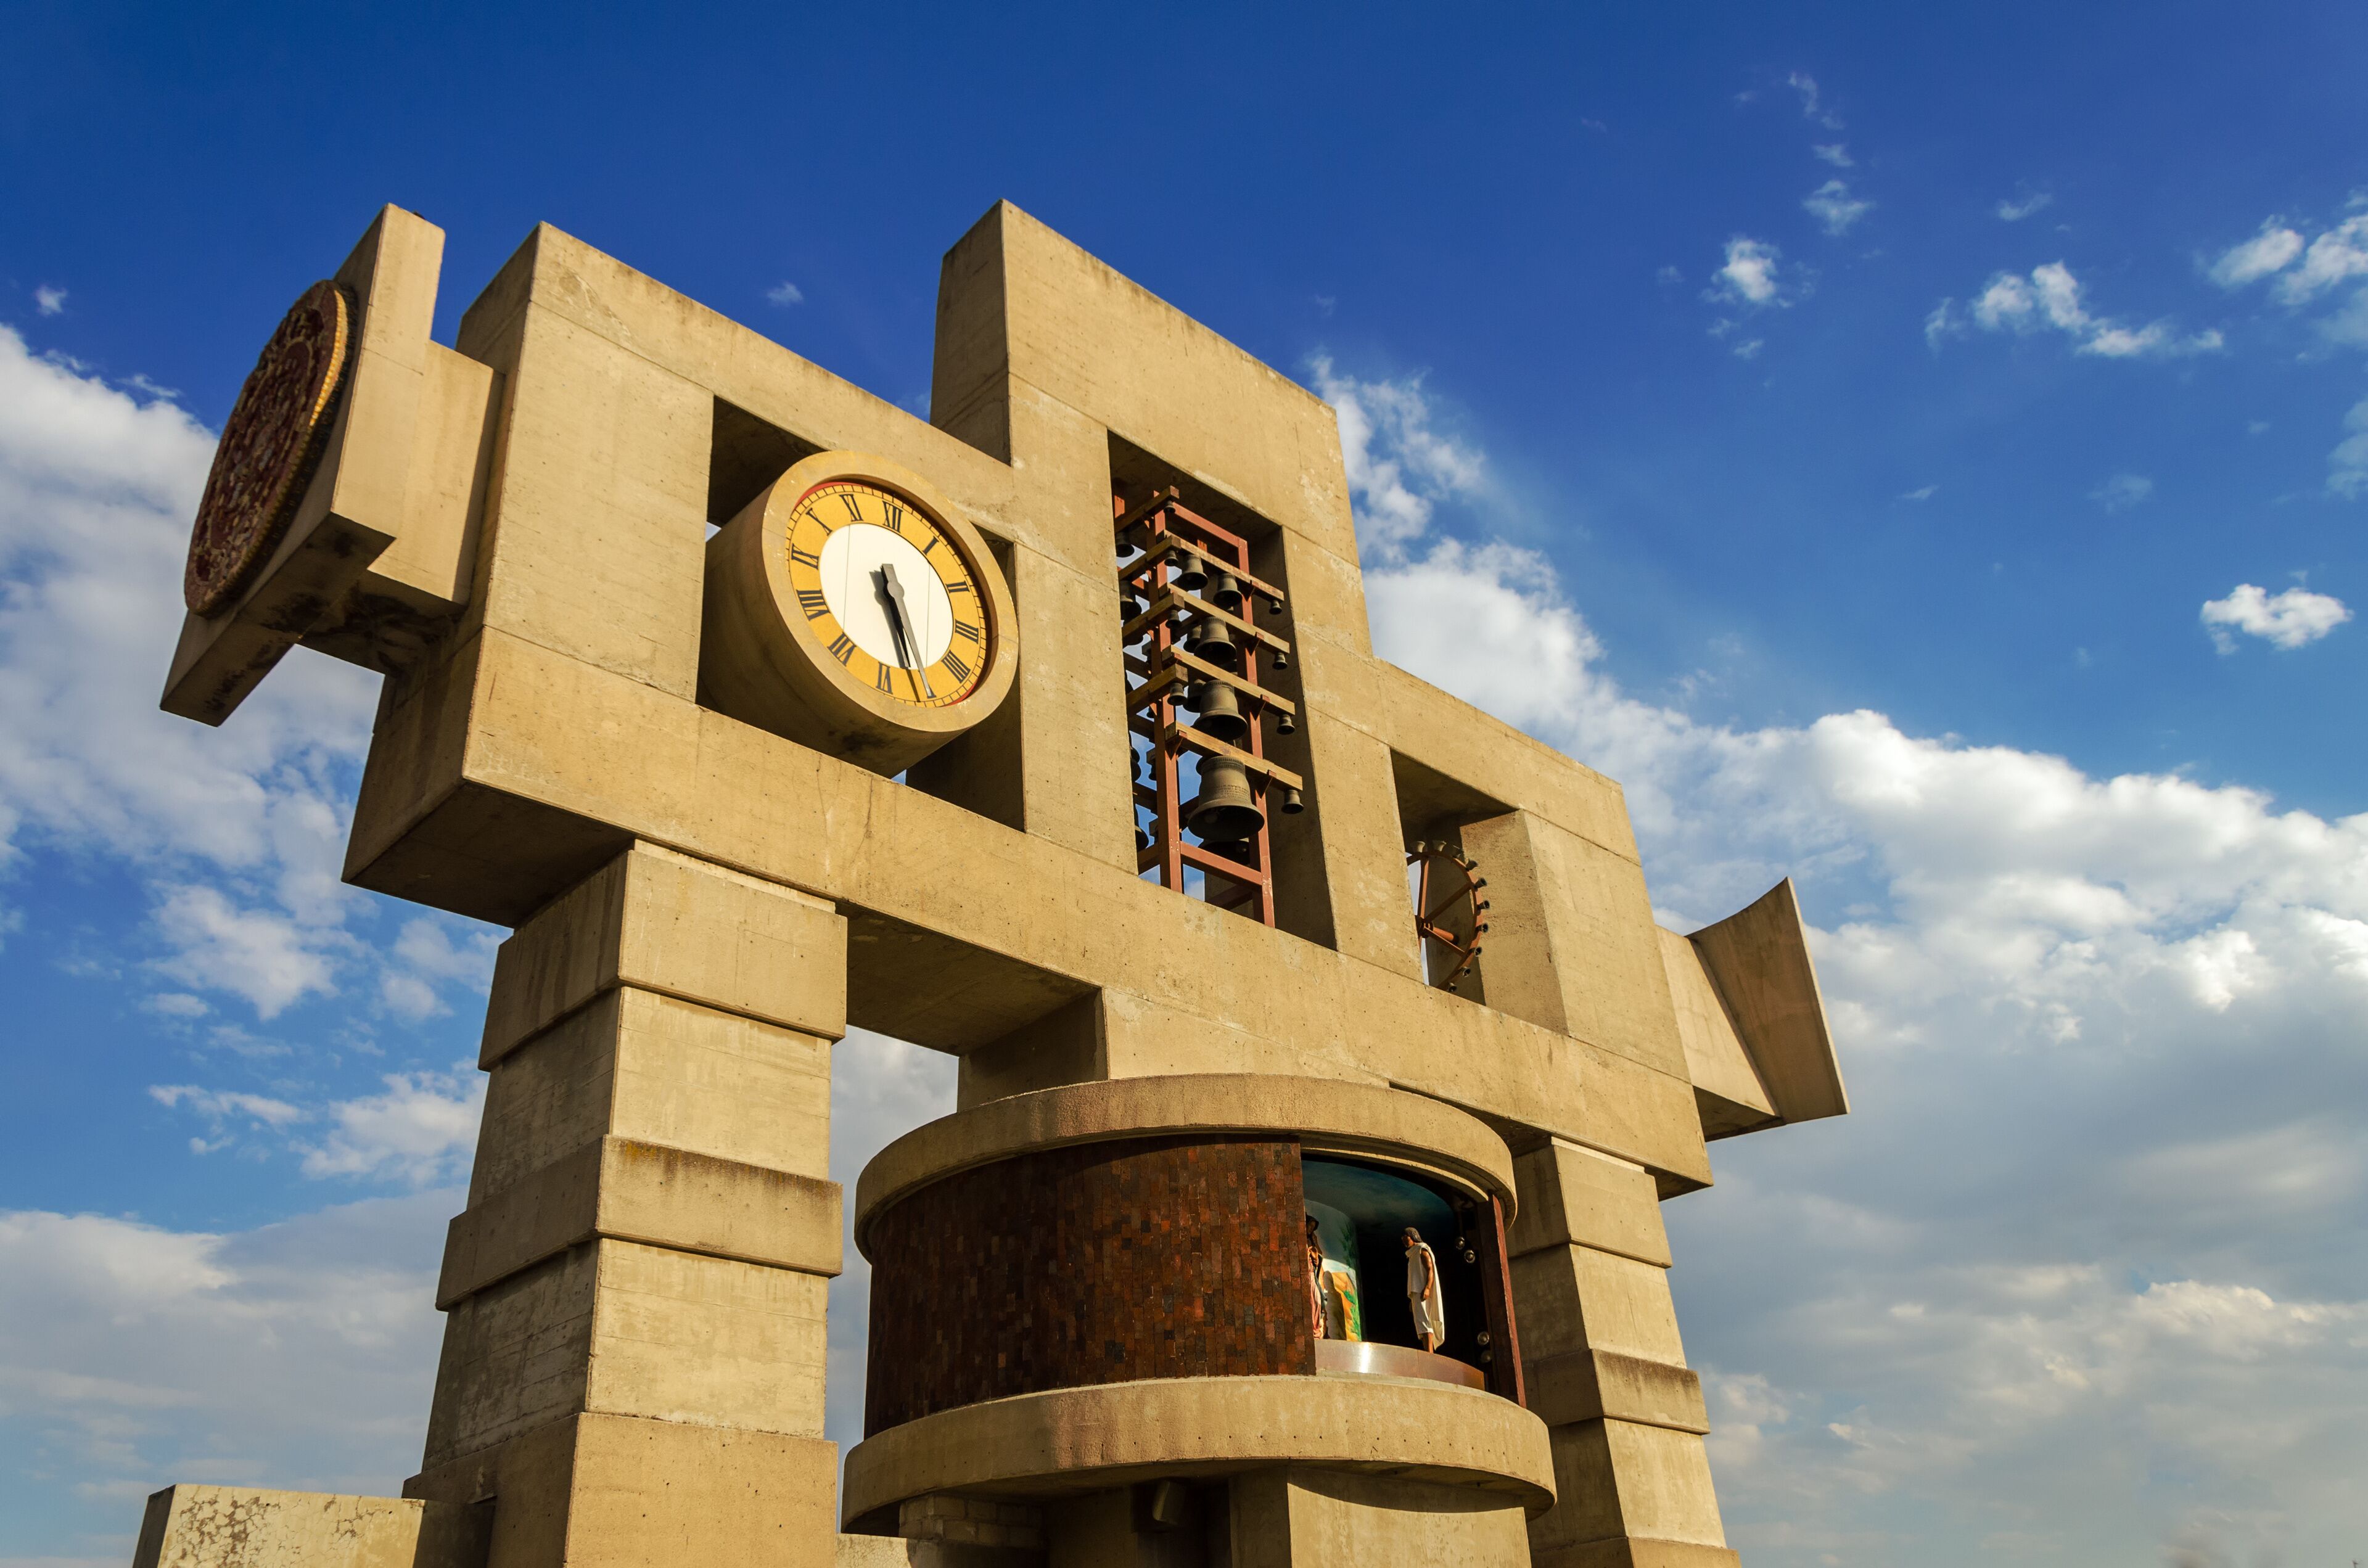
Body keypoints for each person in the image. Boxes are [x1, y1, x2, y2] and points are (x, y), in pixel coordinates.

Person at [1404, 1226, 1444, 1353]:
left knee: (1425, 1323)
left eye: (1406, 1239)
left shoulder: (1422, 1250)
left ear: (1412, 1236)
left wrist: (1427, 1288)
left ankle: (1429, 1354)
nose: (1405, 1243)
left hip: (1422, 1291)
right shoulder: (1412, 1254)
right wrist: (1412, 1299)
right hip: (1416, 1293)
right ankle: (1428, 1351)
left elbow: (1430, 1269)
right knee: (1420, 1325)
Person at [1305, 1215, 1327, 1339]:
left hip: (1312, 1273)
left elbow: (1320, 1255)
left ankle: (1316, 1328)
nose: (1311, 1229)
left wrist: (1315, 1244)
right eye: (1310, 1226)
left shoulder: (1312, 1239)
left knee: (1318, 1300)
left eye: (1313, 1227)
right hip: (1305, 1273)